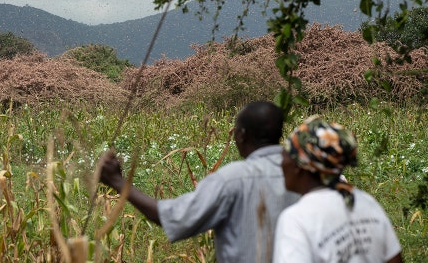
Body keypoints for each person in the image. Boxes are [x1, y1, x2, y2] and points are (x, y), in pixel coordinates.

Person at [100, 101, 300, 262]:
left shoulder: (232, 178)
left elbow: (175, 217)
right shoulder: (305, 174)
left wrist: (118, 182)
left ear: (241, 135)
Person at [273, 116, 403, 263]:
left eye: (285, 156)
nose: (281, 164)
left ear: (299, 166)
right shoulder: (366, 201)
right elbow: (395, 259)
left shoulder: (296, 219)